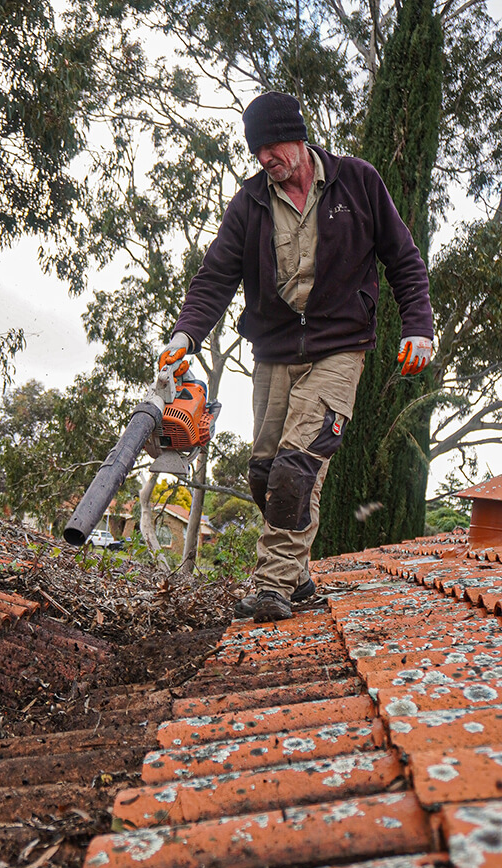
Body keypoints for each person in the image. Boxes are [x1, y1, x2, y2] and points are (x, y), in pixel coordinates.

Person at [158, 91, 433, 623]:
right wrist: (185, 334)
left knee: (296, 468)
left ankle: (272, 586)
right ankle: (300, 574)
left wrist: (418, 326)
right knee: (263, 472)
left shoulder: (358, 182)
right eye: (256, 150)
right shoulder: (250, 203)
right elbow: (215, 277)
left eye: (271, 145)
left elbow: (403, 259)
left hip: (340, 349)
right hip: (276, 352)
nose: (264, 158)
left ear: (299, 137)